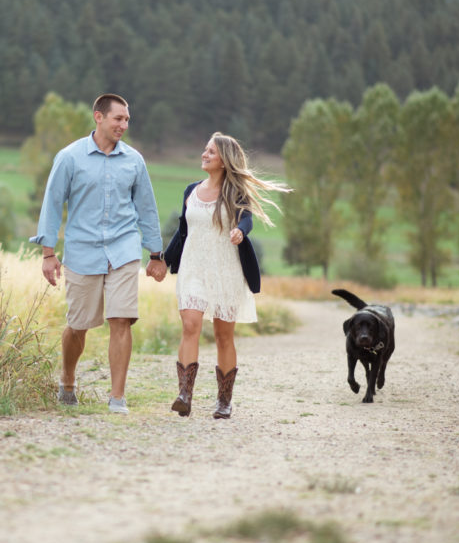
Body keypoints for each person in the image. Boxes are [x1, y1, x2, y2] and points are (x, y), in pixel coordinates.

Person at [30, 93, 167, 413]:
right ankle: (67, 379)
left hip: (123, 249)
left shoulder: (134, 160)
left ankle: (117, 397)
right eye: (118, 118)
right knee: (78, 325)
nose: (124, 125)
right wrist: (48, 253)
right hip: (82, 250)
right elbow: (52, 204)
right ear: (99, 117)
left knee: (122, 319)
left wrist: (156, 254)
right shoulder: (70, 157)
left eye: (127, 120)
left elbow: (147, 207)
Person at [163, 133, 290, 419]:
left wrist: (240, 231)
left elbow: (247, 218)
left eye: (210, 152)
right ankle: (184, 394)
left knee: (223, 335)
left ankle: (224, 401)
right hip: (194, 267)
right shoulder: (190, 191)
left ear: (224, 160)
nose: (204, 155)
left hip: (226, 270)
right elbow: (183, 233)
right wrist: (162, 260)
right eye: (205, 149)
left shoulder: (235, 193)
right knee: (190, 324)